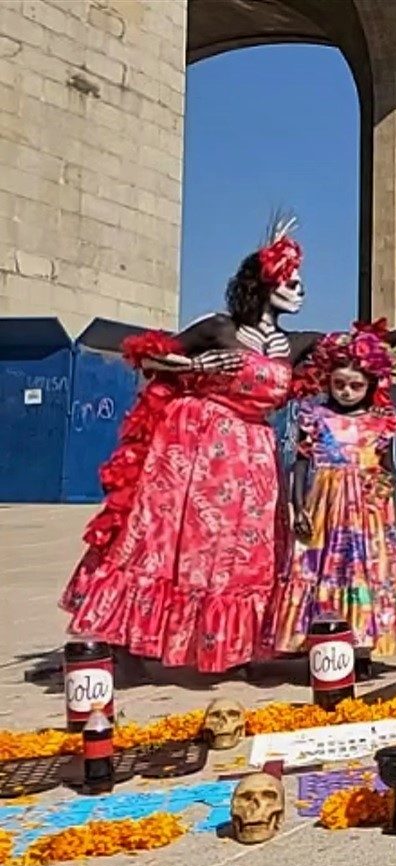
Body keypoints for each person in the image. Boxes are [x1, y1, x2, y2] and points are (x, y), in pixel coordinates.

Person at [60, 221, 311, 676]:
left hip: (253, 455)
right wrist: (199, 362)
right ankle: (125, 643)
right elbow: (146, 354)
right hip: (197, 447)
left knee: (244, 552)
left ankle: (230, 645)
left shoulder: (292, 344)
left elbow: (362, 346)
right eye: (291, 282)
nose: (300, 291)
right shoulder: (219, 327)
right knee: (168, 542)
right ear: (266, 284)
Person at [266, 329, 396, 670]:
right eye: (339, 384)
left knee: (365, 572)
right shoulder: (315, 415)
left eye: (356, 386)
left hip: (368, 510)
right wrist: (299, 506)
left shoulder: (382, 422)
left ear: (371, 385)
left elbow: (389, 469)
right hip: (326, 504)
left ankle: (363, 646)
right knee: (323, 570)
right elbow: (302, 462)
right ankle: (322, 644)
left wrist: (394, 519)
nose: (347, 392)